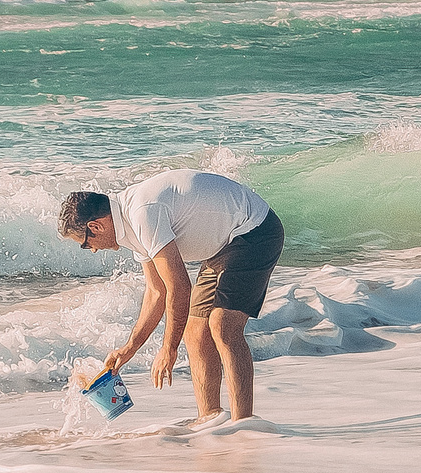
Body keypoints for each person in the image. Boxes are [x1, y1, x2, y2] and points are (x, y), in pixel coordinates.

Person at [58, 171, 284, 423]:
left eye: (85, 244)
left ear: (95, 226)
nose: (92, 250)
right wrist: (128, 349)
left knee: (223, 326)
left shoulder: (142, 213)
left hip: (255, 231)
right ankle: (209, 420)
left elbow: (179, 287)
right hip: (224, 247)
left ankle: (243, 425)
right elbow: (157, 292)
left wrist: (169, 349)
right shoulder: (130, 224)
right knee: (195, 330)